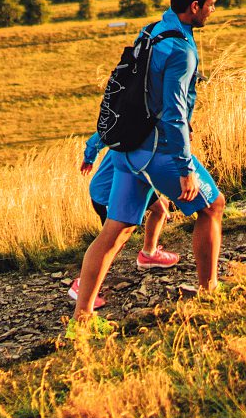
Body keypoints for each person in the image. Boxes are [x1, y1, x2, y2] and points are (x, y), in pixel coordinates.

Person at [70, 0, 227, 321]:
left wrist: (98, 144)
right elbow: (172, 114)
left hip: (127, 152)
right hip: (157, 153)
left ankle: (81, 319)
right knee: (212, 207)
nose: (214, 9)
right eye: (211, 4)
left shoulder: (152, 32)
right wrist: (185, 169)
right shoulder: (181, 50)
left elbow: (125, 98)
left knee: (116, 230)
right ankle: (209, 292)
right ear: (194, 5)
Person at [67, 131, 180, 310]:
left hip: (135, 182)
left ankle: (148, 255)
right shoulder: (135, 133)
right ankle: (82, 286)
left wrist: (89, 158)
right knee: (113, 241)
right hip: (107, 193)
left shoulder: (142, 129)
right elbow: (101, 135)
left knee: (161, 208)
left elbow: (98, 138)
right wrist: (88, 158)